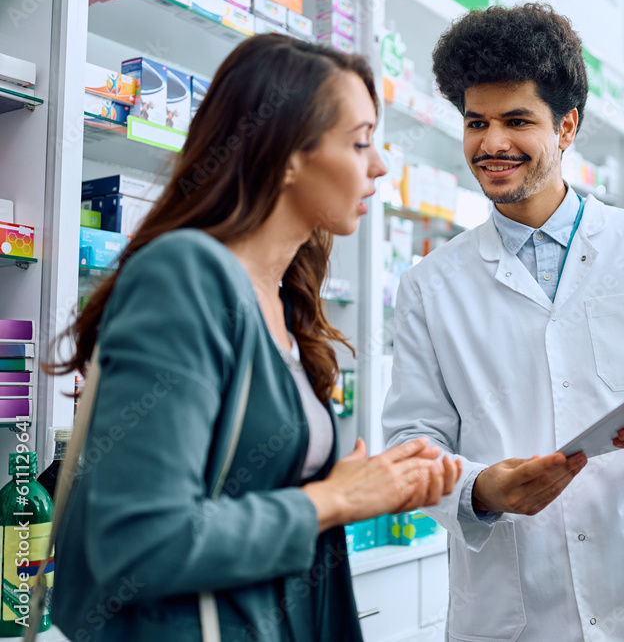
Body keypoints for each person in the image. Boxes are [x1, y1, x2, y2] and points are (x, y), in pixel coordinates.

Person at [46, 34, 461, 641]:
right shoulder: (184, 275)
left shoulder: (285, 301)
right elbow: (139, 541)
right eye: (361, 142)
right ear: (289, 153)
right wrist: (336, 499)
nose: (378, 166)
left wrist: (369, 489)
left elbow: (242, 492)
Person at [382, 3, 624, 641]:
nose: (492, 144)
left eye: (518, 120)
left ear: (567, 125)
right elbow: (411, 441)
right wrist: (481, 488)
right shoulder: (428, 286)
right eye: (476, 122)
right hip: (510, 610)